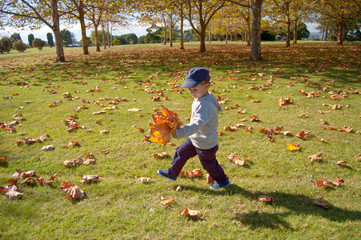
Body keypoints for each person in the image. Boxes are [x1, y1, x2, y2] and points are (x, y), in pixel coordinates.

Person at [157, 67, 230, 190]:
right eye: (190, 89)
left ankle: (223, 181)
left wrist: (180, 132)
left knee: (209, 164)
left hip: (205, 143)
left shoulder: (205, 104)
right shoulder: (203, 97)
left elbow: (197, 124)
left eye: (195, 89)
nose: (192, 92)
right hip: (195, 138)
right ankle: (172, 173)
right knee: (181, 152)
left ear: (207, 85)